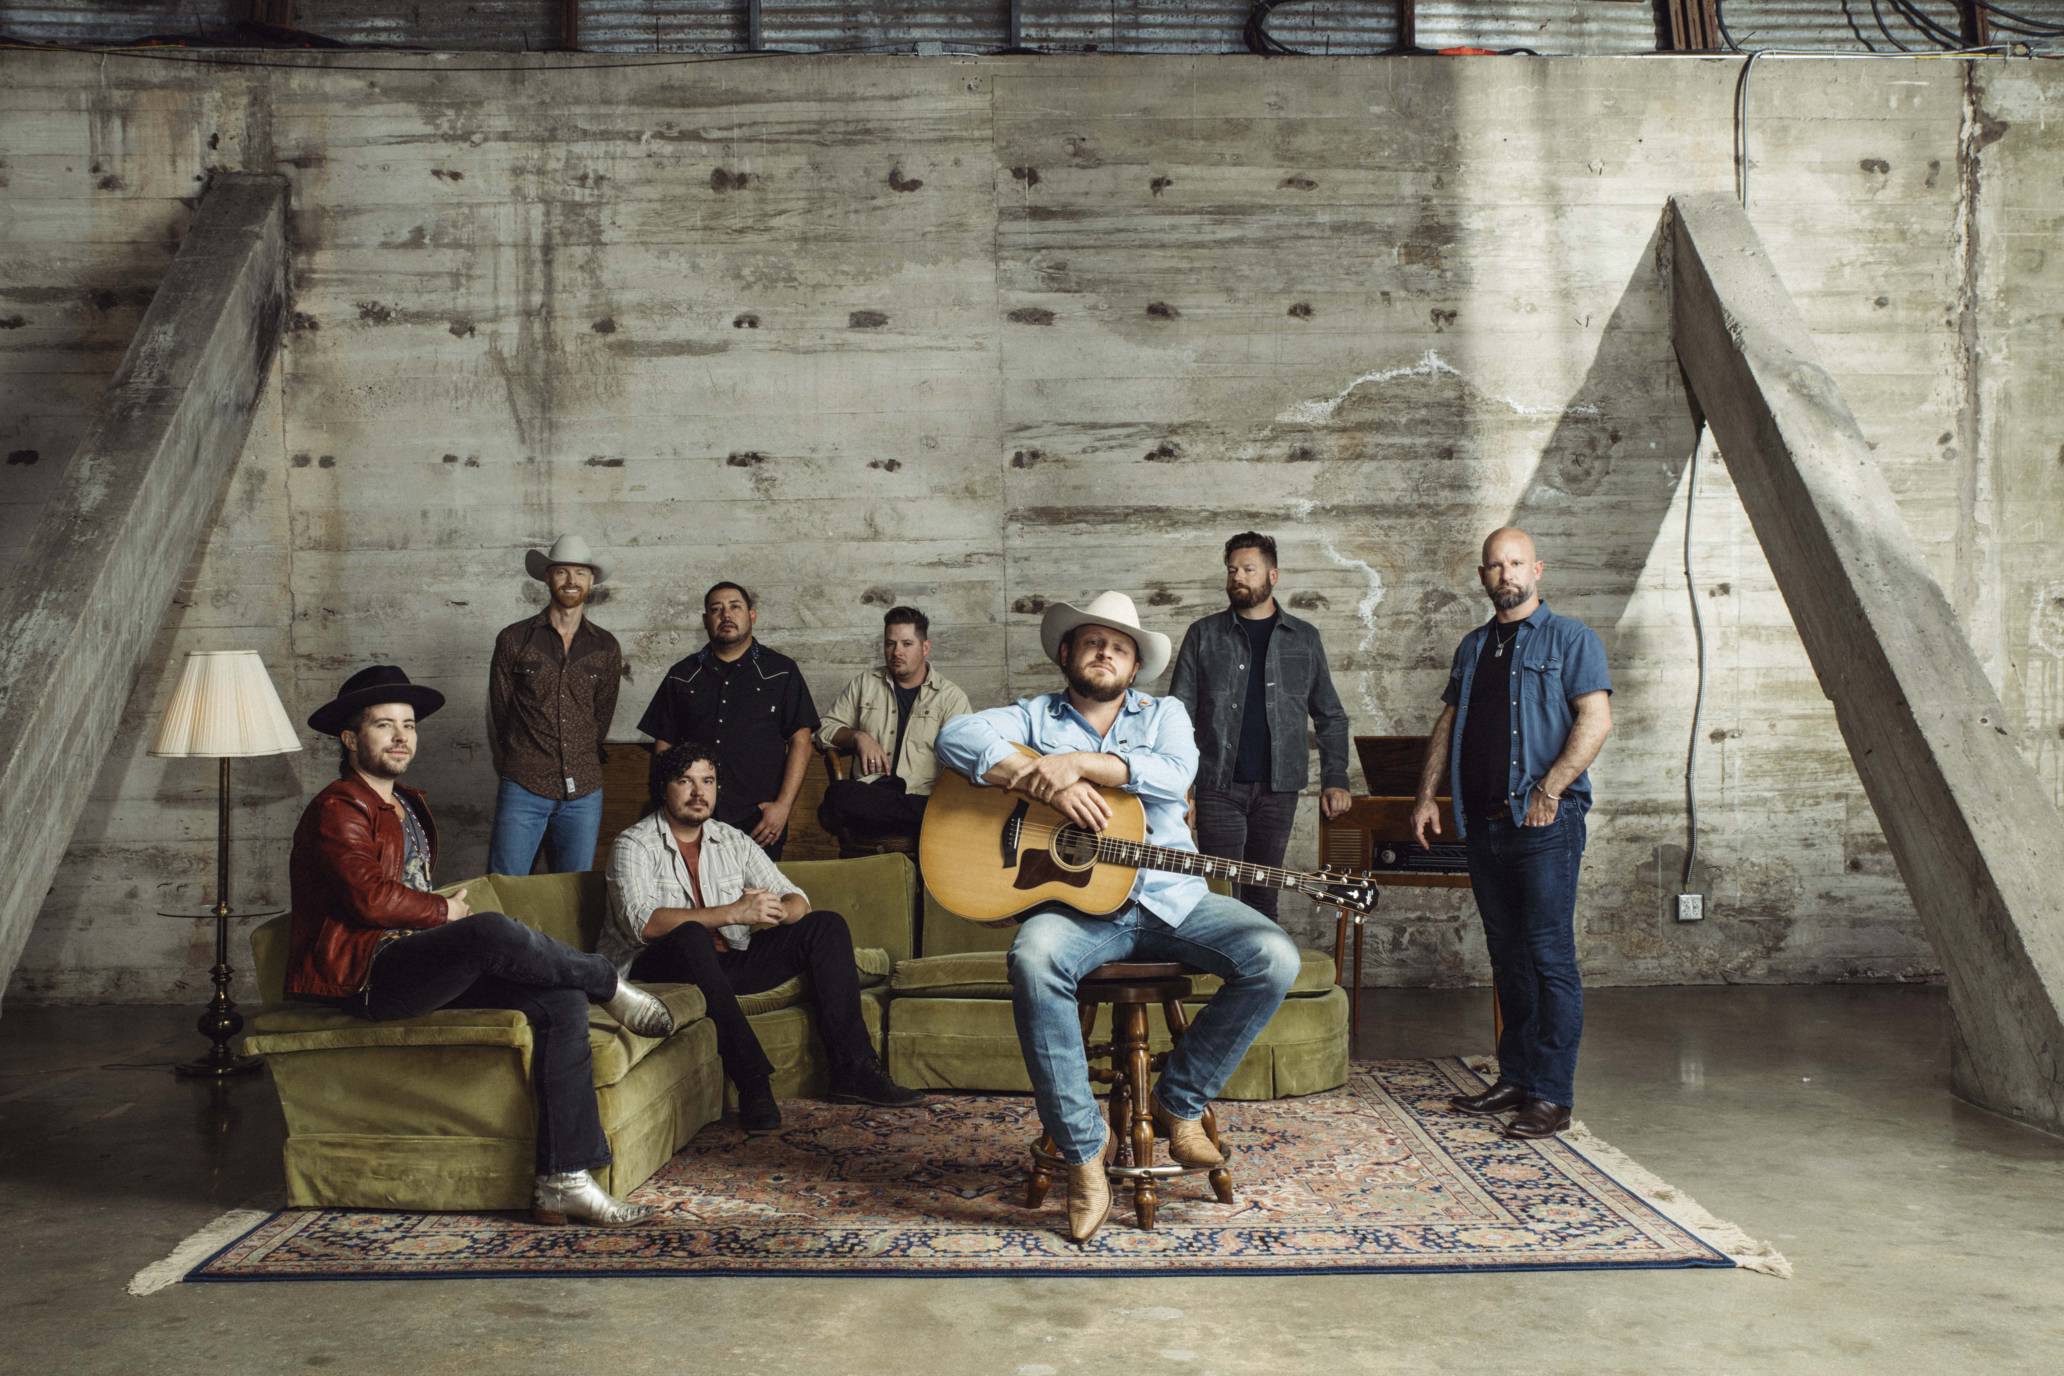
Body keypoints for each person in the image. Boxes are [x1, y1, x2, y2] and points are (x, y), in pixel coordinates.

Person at [934, 591, 1301, 1245]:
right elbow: (956, 735)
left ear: (1134, 668)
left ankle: (1178, 1101)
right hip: (1079, 910)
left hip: (1172, 901)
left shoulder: (1166, 714)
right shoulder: (1033, 716)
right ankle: (1082, 1156)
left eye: (1121, 647)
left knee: (1274, 956)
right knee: (1032, 957)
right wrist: (1033, 776)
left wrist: (1079, 764)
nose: (1106, 651)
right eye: (1093, 641)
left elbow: (1175, 771)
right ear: (1068, 653)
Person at [285, 665, 674, 1227]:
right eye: (383, 725)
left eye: (409, 725)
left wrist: (438, 919)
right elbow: (368, 900)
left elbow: (402, 891)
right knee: (489, 929)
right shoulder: (339, 807)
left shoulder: (408, 803)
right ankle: (608, 981)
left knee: (561, 999)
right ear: (350, 739)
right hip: (368, 975)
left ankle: (562, 1181)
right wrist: (445, 912)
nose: (401, 737)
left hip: (412, 959)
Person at [602, 740, 925, 1135]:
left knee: (825, 925)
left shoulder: (731, 840)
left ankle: (853, 1070)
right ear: (663, 788)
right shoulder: (633, 844)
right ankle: (753, 1082)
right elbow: (644, 925)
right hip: (658, 968)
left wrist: (783, 910)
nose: (699, 792)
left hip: (725, 964)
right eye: (685, 781)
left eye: (708, 781)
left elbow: (797, 898)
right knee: (690, 936)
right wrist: (733, 912)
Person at [1408, 528, 1613, 1140]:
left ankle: (1551, 1094)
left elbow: (1596, 719)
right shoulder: (1473, 647)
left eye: (1516, 563)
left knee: (1549, 957)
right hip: (1484, 823)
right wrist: (1426, 795)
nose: (1506, 574)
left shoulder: (1571, 637)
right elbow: (1451, 721)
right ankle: (1517, 1076)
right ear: (1482, 576)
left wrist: (1551, 790)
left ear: (1538, 570)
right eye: (1495, 566)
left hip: (1546, 823)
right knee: (1508, 958)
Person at [1169, 531, 1354, 921]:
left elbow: (1330, 714)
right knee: (1218, 895)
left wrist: (1336, 778)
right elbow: (1176, 717)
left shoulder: (1304, 639)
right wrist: (1180, 789)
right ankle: (1217, 979)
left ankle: (1262, 979)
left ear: (1273, 576)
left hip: (1278, 790)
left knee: (1263, 895)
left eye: (1249, 569)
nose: (1238, 576)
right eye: (1232, 569)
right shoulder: (1203, 635)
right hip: (1217, 787)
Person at [636, 582, 817, 860]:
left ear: (752, 615)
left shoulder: (781, 671)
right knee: (697, 899)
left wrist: (783, 806)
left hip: (758, 819)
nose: (726, 615)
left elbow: (801, 741)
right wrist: (667, 805)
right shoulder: (682, 675)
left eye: (735, 607)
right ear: (706, 620)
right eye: (716, 609)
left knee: (758, 900)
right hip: (692, 816)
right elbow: (664, 745)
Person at [486, 534, 622, 876]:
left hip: (584, 792)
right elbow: (500, 712)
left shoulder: (606, 646)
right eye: (562, 571)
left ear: (591, 581)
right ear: (548, 577)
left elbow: (601, 717)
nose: (571, 581)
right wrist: (520, 759)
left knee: (573, 892)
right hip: (523, 786)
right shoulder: (514, 639)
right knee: (506, 886)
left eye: (580, 573)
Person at [815, 605, 973, 846]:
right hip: (873, 792)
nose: (896, 652)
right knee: (840, 794)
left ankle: (915, 817)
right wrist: (858, 737)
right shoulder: (864, 684)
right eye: (890, 644)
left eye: (906, 644)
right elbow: (824, 730)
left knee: (948, 809)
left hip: (921, 794)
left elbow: (967, 757)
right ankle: (920, 820)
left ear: (925, 647)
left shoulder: (950, 697)